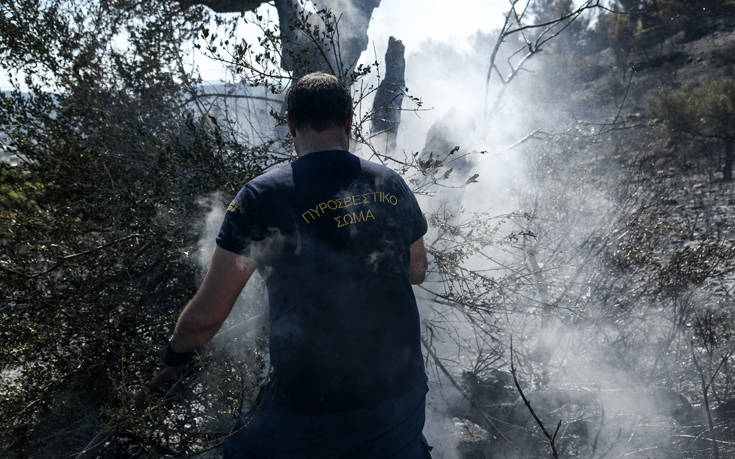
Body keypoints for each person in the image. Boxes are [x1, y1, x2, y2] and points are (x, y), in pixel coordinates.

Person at [162, 72, 432, 458]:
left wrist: (175, 357)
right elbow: (417, 271)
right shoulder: (391, 184)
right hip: (401, 394)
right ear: (349, 121)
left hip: (312, 407)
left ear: (290, 123)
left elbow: (207, 316)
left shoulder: (261, 197)